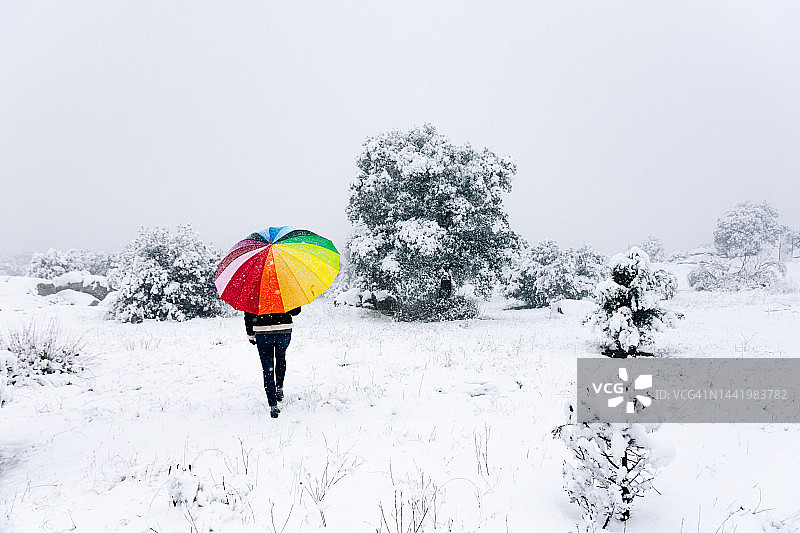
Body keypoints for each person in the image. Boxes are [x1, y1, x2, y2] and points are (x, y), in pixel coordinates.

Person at [245, 306, 301, 418]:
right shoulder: (285, 288)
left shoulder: (255, 290)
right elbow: (295, 311)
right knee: (281, 357)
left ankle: (273, 405)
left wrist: (250, 334)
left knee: (267, 367)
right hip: (283, 330)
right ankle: (279, 387)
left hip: (262, 331)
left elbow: (248, 312)